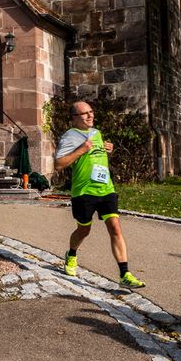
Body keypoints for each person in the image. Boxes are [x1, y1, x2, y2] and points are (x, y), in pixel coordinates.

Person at [55, 101, 146, 288]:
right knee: (83, 230)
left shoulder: (96, 133)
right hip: (84, 192)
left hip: (106, 189)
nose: (90, 116)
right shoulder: (69, 137)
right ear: (74, 118)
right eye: (84, 114)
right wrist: (81, 150)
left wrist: (108, 151)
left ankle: (124, 274)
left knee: (115, 228)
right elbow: (59, 164)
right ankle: (71, 254)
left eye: (91, 112)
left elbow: (96, 157)